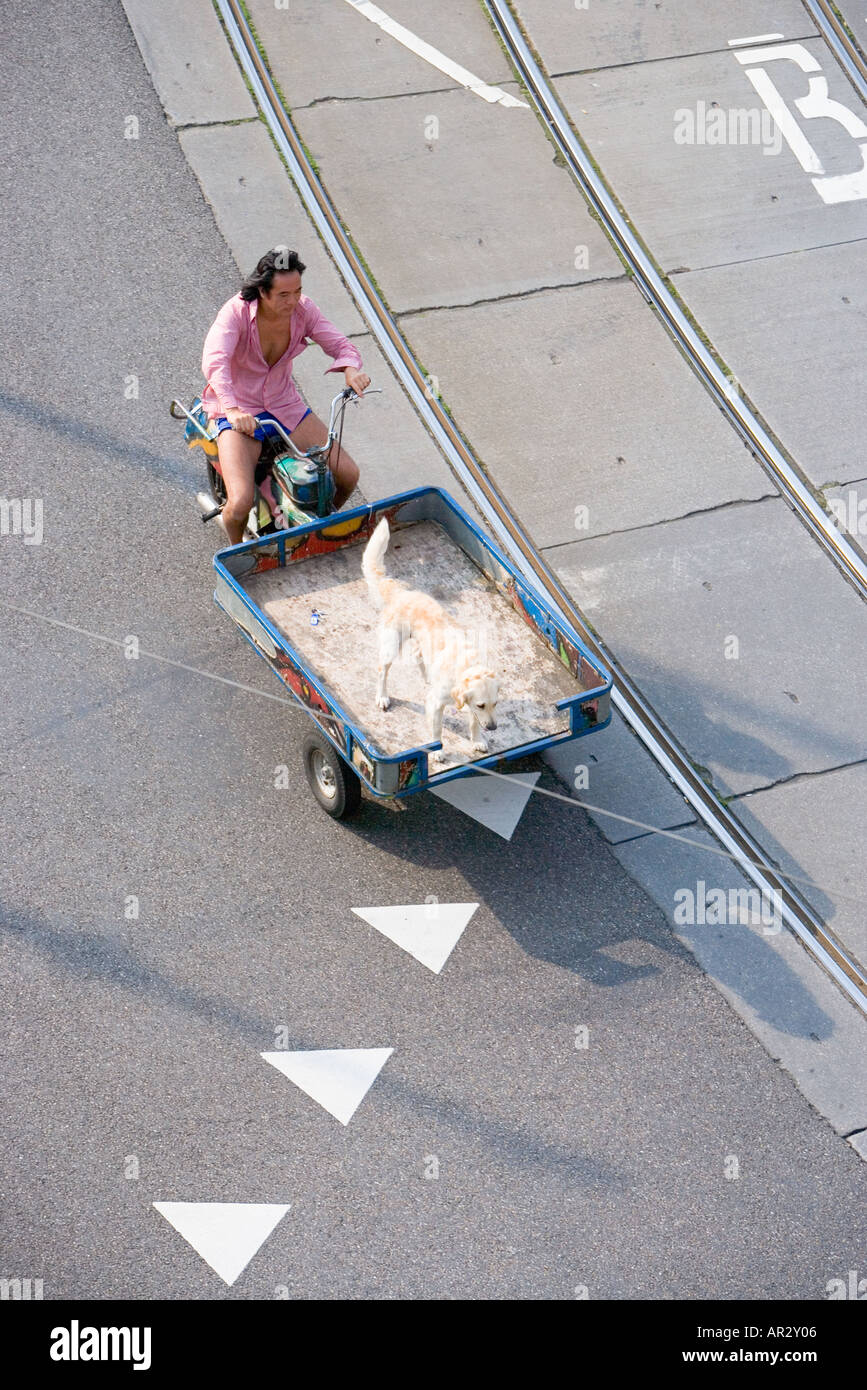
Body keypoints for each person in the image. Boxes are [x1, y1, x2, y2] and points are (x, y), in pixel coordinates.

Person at [201, 246, 370, 544]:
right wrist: (232, 409)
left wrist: (351, 369)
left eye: (297, 292)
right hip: (241, 410)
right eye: (283, 295)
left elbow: (341, 345)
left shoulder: (304, 310)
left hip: (284, 404)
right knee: (239, 503)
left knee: (347, 475)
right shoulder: (235, 313)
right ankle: (238, 550)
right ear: (262, 291)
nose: (293, 302)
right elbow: (215, 363)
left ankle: (319, 532)